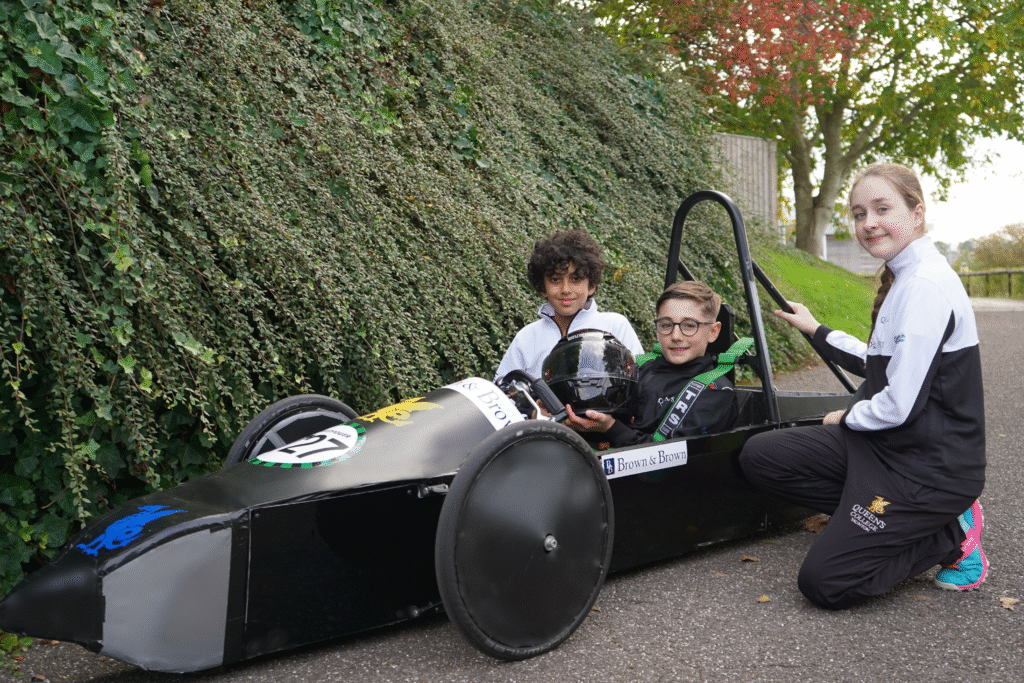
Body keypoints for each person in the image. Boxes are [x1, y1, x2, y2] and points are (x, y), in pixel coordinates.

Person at [738, 163, 987, 610]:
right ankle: (872, 517)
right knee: (761, 456)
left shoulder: (927, 285)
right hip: (886, 448)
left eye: (882, 208)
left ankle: (951, 534)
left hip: (928, 469)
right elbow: (878, 360)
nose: (868, 223)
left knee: (824, 583)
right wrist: (816, 329)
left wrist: (847, 416)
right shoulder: (905, 277)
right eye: (858, 213)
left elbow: (899, 404)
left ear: (917, 212)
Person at [561, 280, 738, 447]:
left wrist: (610, 427)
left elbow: (674, 458)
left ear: (713, 332)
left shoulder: (716, 392)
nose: (676, 336)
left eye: (689, 326)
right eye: (666, 325)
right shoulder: (639, 370)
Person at [494, 230, 643, 382]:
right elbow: (502, 393)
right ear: (542, 288)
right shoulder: (526, 338)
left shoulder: (615, 326)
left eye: (576, 279)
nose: (565, 290)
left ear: (591, 285)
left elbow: (642, 380)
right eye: (555, 280)